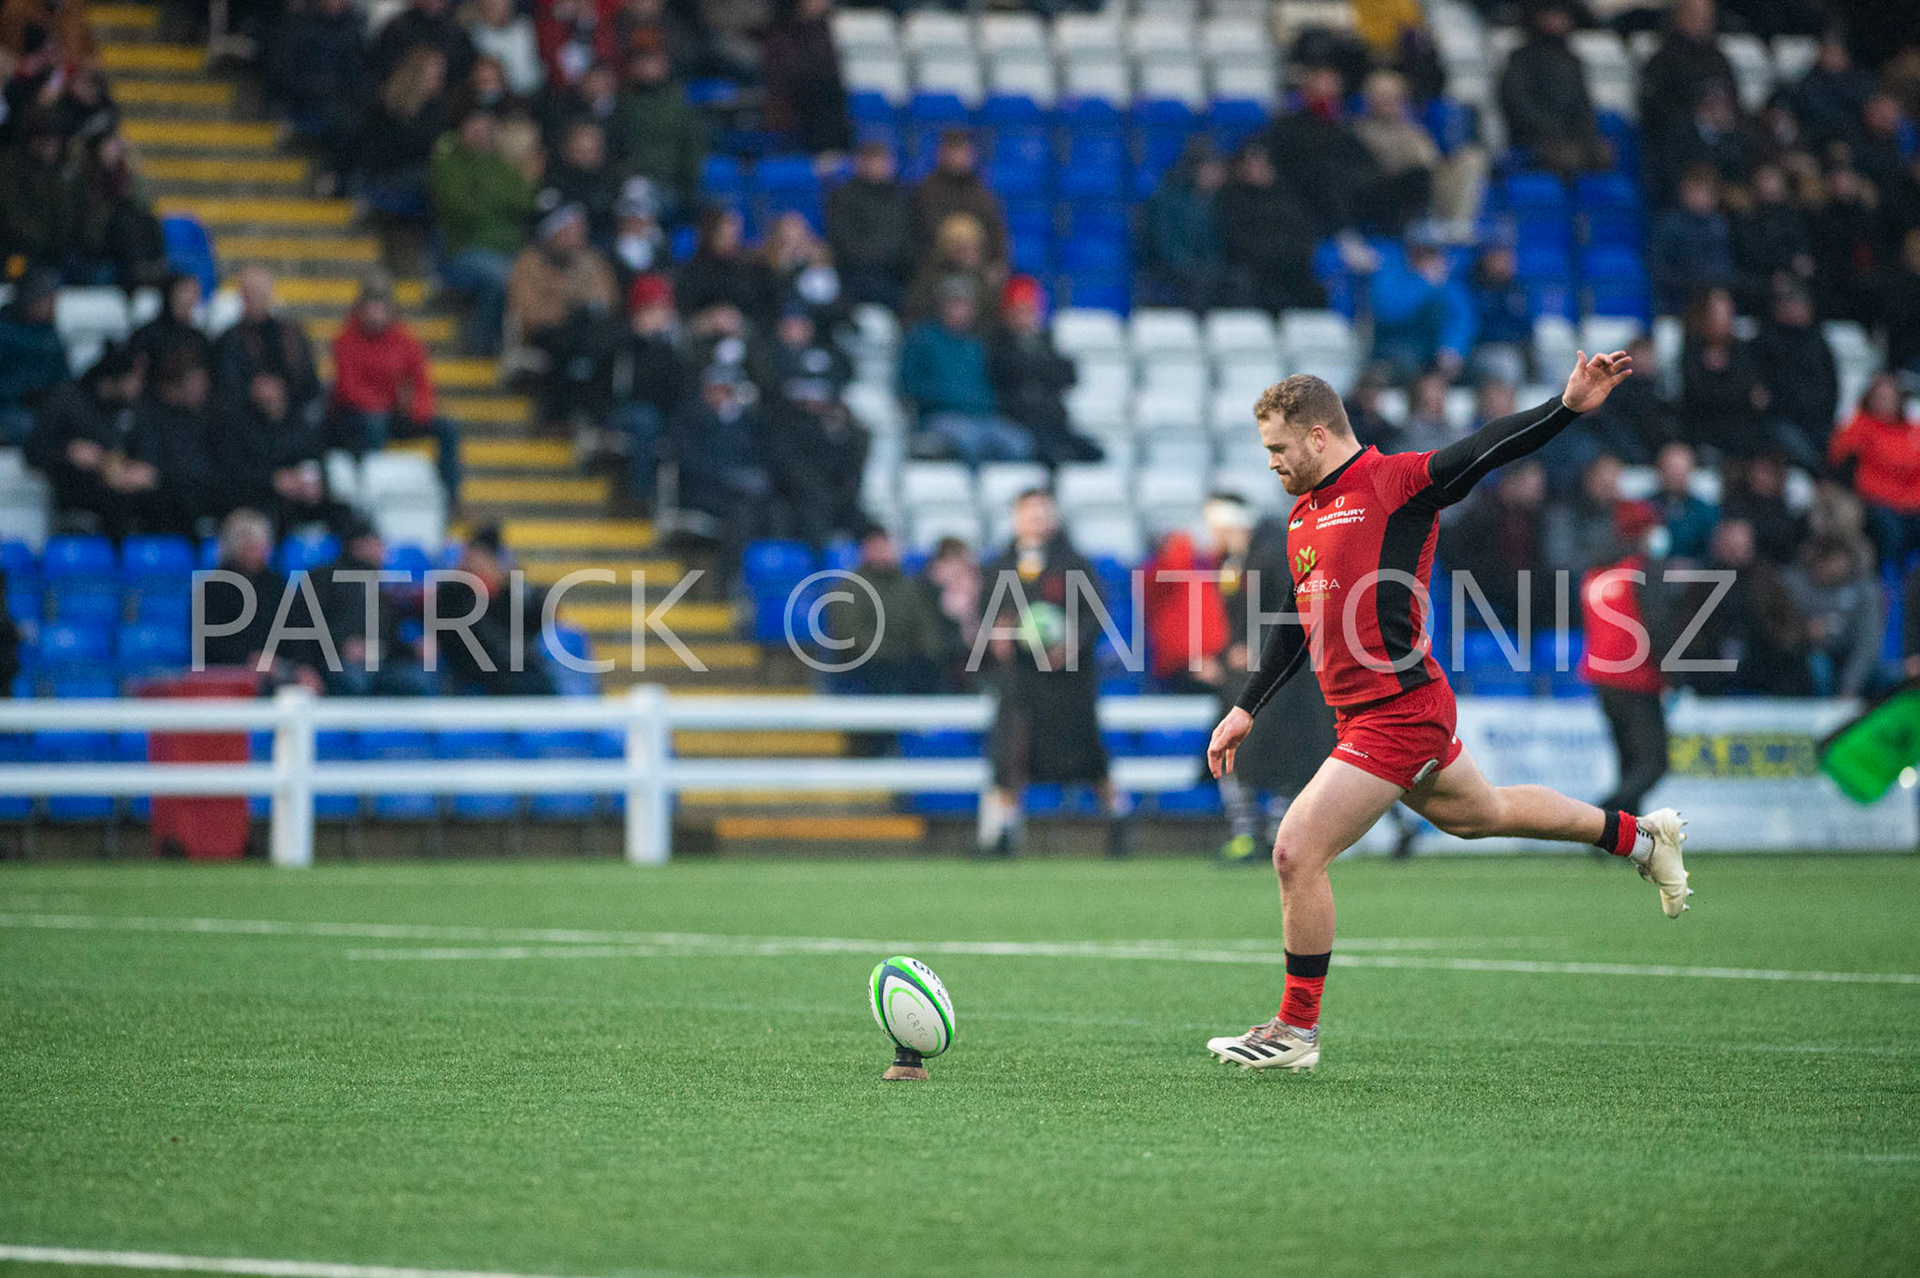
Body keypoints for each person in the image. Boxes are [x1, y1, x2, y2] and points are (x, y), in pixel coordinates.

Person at [1202, 358, 1690, 1073]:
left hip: (1399, 712)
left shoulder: (1393, 483)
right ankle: (1642, 840)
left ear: (1316, 436)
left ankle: (1294, 1032)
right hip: (1366, 716)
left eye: (1278, 449)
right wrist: (1246, 707)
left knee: (1294, 850)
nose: (1271, 463)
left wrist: (1566, 406)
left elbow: (1489, 444)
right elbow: (1292, 623)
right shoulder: (1302, 515)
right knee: (1481, 813)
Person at [979, 489, 1131, 857]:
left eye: (1042, 512)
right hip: (1019, 678)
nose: (1035, 519)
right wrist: (996, 633)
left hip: (1069, 682)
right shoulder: (1000, 565)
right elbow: (985, 614)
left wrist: (1070, 646)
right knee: (1010, 751)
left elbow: (1096, 614)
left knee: (1089, 753)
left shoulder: (1075, 563)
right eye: (1028, 513)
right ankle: (1002, 833)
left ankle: (1120, 820)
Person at [328, 274, 463, 505]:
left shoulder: (406, 341)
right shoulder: (346, 340)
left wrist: (418, 410)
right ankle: (373, 492)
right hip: (358, 416)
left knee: (447, 428)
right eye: (371, 307)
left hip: (395, 415)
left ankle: (450, 497)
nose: (376, 315)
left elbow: (421, 382)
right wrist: (385, 404)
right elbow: (348, 389)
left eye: (381, 307)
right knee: (374, 425)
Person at [1578, 500, 1671, 817]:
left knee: (1628, 764)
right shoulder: (1641, 572)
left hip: (1603, 680)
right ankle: (1603, 815)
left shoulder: (1594, 575)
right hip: (1638, 678)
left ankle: (1620, 837)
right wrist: (1672, 674)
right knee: (1654, 763)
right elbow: (1657, 626)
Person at [755, 303, 867, 546]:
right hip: (796, 480)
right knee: (813, 507)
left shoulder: (829, 358)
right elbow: (784, 462)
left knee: (861, 518)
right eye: (791, 325)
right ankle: (820, 573)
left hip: (830, 478)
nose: (797, 330)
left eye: (802, 325)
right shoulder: (769, 359)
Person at [506, 203, 622, 432]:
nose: (576, 239)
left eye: (579, 232)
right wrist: (565, 312)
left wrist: (581, 311)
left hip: (585, 333)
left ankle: (599, 422)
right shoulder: (530, 263)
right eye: (569, 232)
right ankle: (555, 415)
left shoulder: (592, 262)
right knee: (565, 346)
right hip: (543, 332)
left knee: (602, 346)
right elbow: (525, 310)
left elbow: (607, 301)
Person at [430, 108, 536, 357]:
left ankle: (515, 349)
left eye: (487, 130)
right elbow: (459, 207)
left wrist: (486, 198)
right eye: (474, 129)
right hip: (464, 250)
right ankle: (482, 346)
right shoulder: (448, 165)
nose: (481, 135)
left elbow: (524, 201)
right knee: (502, 279)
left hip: (509, 251)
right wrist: (497, 202)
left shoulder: (503, 165)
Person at [898, 277, 1031, 464]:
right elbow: (909, 384)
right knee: (968, 441)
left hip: (984, 417)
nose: (961, 310)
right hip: (940, 416)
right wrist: (945, 396)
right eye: (955, 303)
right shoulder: (922, 339)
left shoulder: (978, 343)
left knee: (1019, 442)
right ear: (941, 305)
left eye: (966, 304)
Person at [199, 508, 323, 689]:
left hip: (279, 668)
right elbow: (209, 643)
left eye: (259, 542)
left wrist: (303, 667)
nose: (256, 548)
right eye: (248, 542)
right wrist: (249, 658)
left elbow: (296, 631)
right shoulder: (213, 589)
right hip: (232, 672)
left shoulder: (276, 585)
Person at [26, 339, 141, 534]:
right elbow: (33, 450)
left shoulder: (135, 410)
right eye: (133, 378)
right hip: (79, 494)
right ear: (116, 378)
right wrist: (68, 451)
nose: (139, 384)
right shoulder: (66, 401)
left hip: (127, 495)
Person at [311, 516, 436, 696]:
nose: (382, 550)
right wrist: (341, 646)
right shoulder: (323, 578)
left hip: (383, 661)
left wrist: (412, 649)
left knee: (417, 678)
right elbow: (307, 624)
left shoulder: (381, 584)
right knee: (354, 679)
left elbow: (390, 637)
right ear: (357, 545)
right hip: (338, 661)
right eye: (376, 543)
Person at [427, 524, 554, 694]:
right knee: (532, 684)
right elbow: (480, 642)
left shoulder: (505, 594)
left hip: (508, 665)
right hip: (474, 667)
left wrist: (507, 589)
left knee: (543, 679)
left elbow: (532, 624)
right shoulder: (453, 594)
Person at [987, 276, 1101, 466]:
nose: (1026, 318)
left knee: (1094, 454)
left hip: (1055, 423)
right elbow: (1011, 372)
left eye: (1030, 311)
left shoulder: (1046, 343)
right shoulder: (999, 346)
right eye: (1020, 311)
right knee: (1049, 454)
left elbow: (1069, 375)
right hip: (1020, 423)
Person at [825, 528, 947, 696]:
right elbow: (850, 631)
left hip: (906, 661)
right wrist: (888, 653)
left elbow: (925, 626)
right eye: (877, 545)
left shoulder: (910, 586)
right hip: (867, 663)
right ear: (865, 549)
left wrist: (928, 652)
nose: (883, 550)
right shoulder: (849, 587)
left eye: (886, 545)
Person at [206, 371, 334, 528]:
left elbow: (314, 460)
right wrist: (273, 481)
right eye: (261, 385)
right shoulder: (239, 428)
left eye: (270, 385)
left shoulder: (299, 424)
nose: (266, 394)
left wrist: (309, 483)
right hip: (258, 504)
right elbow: (234, 473)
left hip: (302, 503)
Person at [1499, 0, 1610, 175]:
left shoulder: (1572, 61)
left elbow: (1583, 106)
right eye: (1552, 15)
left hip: (1570, 138)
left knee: (1602, 153)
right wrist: (1551, 132)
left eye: (1561, 15)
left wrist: (1583, 135)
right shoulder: (1521, 60)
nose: (1558, 20)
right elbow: (1518, 105)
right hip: (1535, 139)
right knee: (1563, 156)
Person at [271, 0, 369, 195]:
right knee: (344, 125)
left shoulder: (354, 29)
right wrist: (321, 87)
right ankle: (337, 181)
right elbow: (282, 74)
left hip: (344, 103)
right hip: (308, 103)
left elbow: (360, 74)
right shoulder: (298, 26)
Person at [1215, 142, 1322, 313]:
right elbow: (1235, 240)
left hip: (1291, 268)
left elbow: (1303, 236)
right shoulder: (1231, 200)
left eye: (1260, 163)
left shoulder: (1288, 199)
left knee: (1316, 290)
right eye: (1249, 164)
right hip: (1254, 270)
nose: (1255, 169)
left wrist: (1288, 257)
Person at [1827, 374, 1920, 571]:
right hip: (1877, 502)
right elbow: (1839, 457)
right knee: (1890, 528)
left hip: (1911, 501)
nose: (1884, 403)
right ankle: (1890, 580)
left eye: (1889, 397)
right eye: (1879, 397)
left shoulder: (1912, 431)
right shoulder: (1861, 426)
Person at [610, 32, 705, 222]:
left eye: (652, 60)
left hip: (674, 186)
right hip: (636, 184)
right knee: (636, 191)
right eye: (640, 61)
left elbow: (693, 146)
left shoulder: (679, 100)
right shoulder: (621, 103)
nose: (647, 67)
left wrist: (686, 186)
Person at [121, 342, 213, 537]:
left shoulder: (209, 419)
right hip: (154, 511)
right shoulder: (147, 416)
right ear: (176, 384)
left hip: (195, 508)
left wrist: (159, 476)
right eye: (197, 381)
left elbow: (203, 473)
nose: (204, 388)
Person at [211, 265, 322, 421]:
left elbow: (308, 381)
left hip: (291, 417)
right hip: (244, 421)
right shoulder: (229, 340)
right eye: (250, 294)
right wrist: (257, 392)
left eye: (259, 293)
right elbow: (226, 385)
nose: (255, 299)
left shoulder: (291, 336)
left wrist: (282, 394)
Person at [1783, 530, 1884, 697]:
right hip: (1806, 657)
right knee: (1817, 665)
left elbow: (1866, 645)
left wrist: (1848, 689)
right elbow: (1779, 629)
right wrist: (1803, 631)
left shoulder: (1865, 590)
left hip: (1852, 658)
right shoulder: (1794, 584)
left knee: (1892, 676)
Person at [1369, 233, 1475, 382]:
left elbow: (1463, 320)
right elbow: (1387, 312)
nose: (1427, 258)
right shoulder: (1390, 274)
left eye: (1433, 253)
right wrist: (1423, 284)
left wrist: (1452, 347)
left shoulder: (1450, 286)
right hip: (1396, 349)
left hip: (1435, 354)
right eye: (1422, 252)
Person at [1752, 279, 1835, 468]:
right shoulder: (1765, 342)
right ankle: (1820, 473)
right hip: (1780, 419)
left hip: (1818, 420)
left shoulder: (1818, 343)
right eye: (1792, 304)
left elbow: (1831, 386)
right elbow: (1763, 391)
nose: (1798, 309)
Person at [1679, 287, 1769, 458]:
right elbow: (1698, 395)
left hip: (1743, 434)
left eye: (1729, 313)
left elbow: (1757, 396)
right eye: (1719, 314)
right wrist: (1739, 395)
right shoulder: (1692, 350)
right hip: (1702, 434)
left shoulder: (1742, 350)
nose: (1727, 319)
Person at [826, 140, 913, 310]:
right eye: (871, 160)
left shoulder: (902, 196)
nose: (877, 166)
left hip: (899, 273)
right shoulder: (843, 197)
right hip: (859, 275)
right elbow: (845, 242)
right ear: (859, 163)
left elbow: (909, 237)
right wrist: (881, 258)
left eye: (881, 161)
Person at [1141, 138, 1226, 311]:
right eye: (1210, 168)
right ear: (1195, 168)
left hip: (1202, 272)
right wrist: (1195, 268)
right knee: (1201, 284)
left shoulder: (1218, 202)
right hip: (1169, 274)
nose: (1217, 175)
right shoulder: (1166, 201)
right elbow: (1166, 248)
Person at [1637, 0, 1736, 145]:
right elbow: (1655, 110)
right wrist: (1698, 115)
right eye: (1694, 15)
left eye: (1705, 17)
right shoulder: (1662, 61)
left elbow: (1735, 102)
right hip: (1682, 145)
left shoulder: (1719, 60)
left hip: (1723, 141)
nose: (1700, 21)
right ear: (1678, 17)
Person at [910, 129, 1007, 271]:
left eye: (961, 150)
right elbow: (917, 236)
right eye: (952, 150)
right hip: (936, 271)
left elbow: (996, 234)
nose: (956, 156)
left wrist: (997, 265)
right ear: (941, 153)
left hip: (977, 272)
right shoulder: (925, 192)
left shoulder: (982, 193)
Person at [761, 0, 847, 155]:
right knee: (820, 89)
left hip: (824, 102)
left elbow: (831, 68)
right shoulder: (781, 31)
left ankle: (834, 152)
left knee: (829, 90)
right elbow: (784, 72)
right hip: (792, 102)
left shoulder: (824, 29)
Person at [1648, 166, 1736, 314]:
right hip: (1676, 303)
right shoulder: (1668, 225)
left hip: (1713, 300)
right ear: (1684, 192)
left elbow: (1725, 264)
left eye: (1704, 191)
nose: (1699, 196)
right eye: (1695, 190)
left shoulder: (1719, 225)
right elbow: (1659, 268)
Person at [0, 269, 68, 445]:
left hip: (47, 406)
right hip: (10, 408)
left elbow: (63, 376)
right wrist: (24, 392)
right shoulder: (4, 332)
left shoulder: (50, 335)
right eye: (47, 301)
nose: (52, 307)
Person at [673, 205, 774, 323]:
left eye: (734, 228)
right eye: (723, 228)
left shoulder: (752, 269)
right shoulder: (692, 270)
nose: (729, 234)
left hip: (745, 330)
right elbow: (685, 307)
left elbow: (762, 308)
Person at [129, 272, 212, 371]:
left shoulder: (198, 339)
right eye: (185, 291)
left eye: (194, 292)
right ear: (170, 293)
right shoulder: (146, 336)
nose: (191, 297)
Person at [1652, 441, 1717, 559]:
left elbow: (1711, 549)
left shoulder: (1706, 511)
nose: (1676, 475)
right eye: (1671, 469)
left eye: (1681, 469)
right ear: (1660, 470)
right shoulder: (1643, 507)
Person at [467, 0, 544, 97]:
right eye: (487, 3)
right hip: (502, 101)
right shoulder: (477, 35)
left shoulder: (527, 26)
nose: (491, 6)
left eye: (496, 3)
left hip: (540, 93)